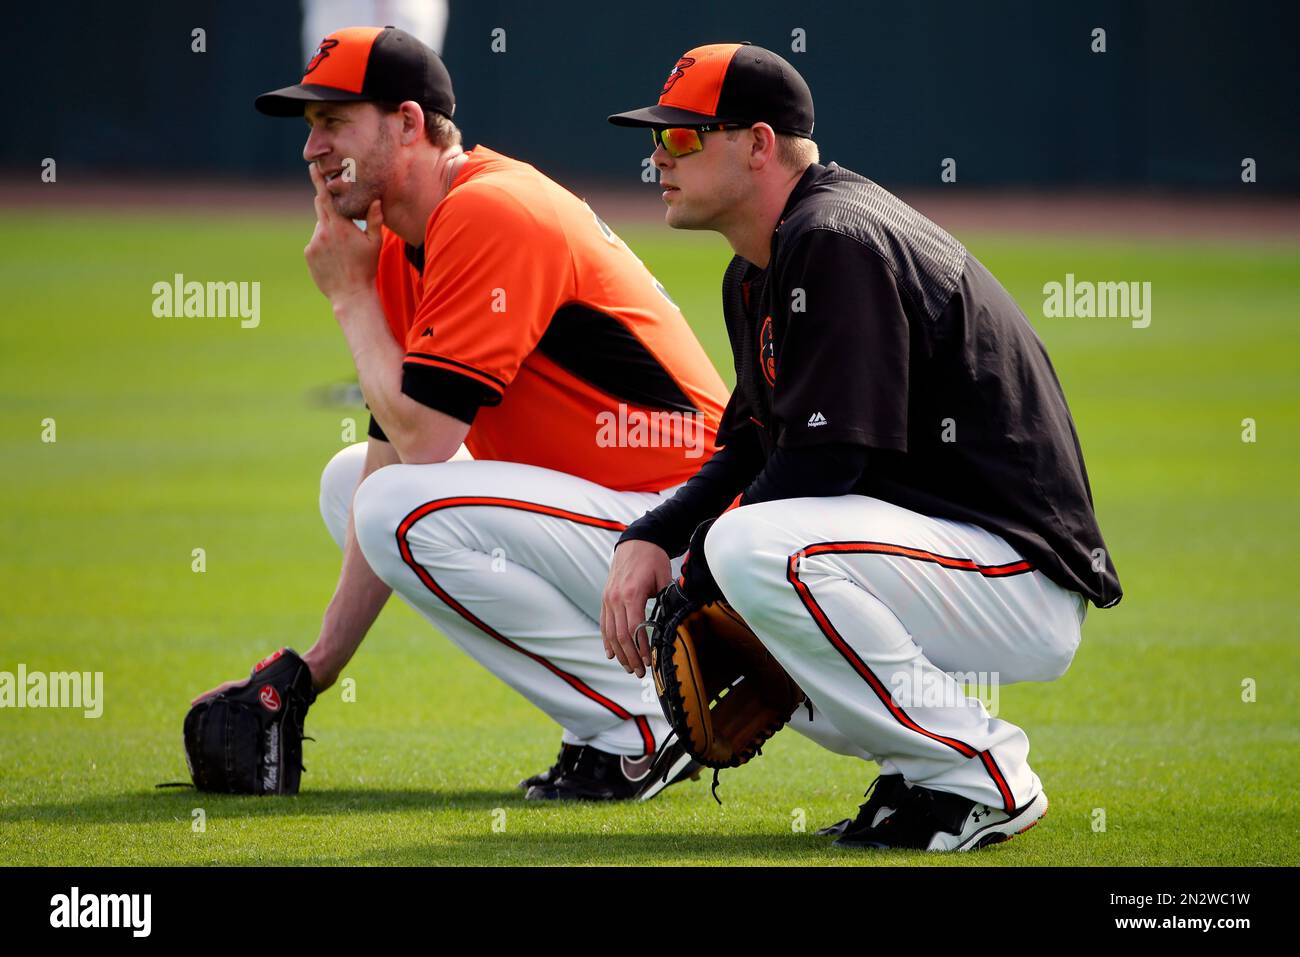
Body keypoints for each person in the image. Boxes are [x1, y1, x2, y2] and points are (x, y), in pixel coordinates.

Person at [602, 42, 1122, 849]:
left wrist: (694, 577)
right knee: (743, 548)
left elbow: (826, 462)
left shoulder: (834, 237)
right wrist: (655, 536)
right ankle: (922, 775)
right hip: (943, 557)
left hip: (1017, 573)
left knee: (751, 549)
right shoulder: (759, 266)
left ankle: (984, 774)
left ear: (759, 144)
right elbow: (753, 440)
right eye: (656, 139)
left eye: (681, 138)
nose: (656, 158)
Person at [193, 26, 730, 801]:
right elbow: (393, 451)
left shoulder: (489, 211)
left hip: (688, 535)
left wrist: (347, 297)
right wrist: (317, 668)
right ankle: (615, 720)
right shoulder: (410, 237)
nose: (313, 149)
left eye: (334, 122)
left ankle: (634, 727)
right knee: (354, 482)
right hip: (618, 522)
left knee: (391, 505)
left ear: (408, 123)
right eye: (310, 127)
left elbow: (427, 438)